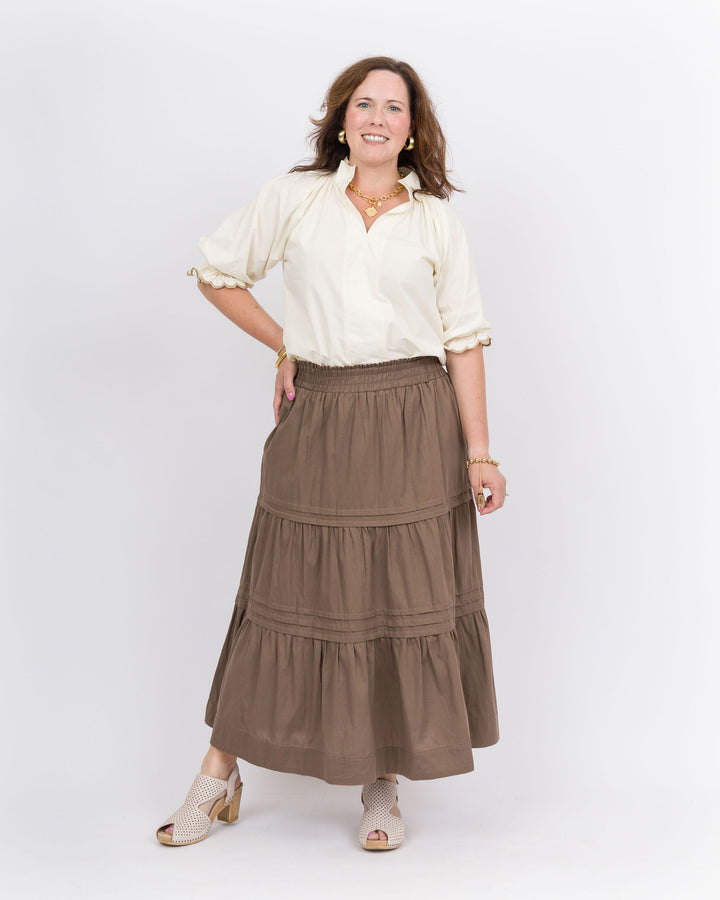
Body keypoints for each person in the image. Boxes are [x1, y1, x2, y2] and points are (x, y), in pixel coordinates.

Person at [156, 56, 507, 851]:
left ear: (412, 129)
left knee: (393, 603)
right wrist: (286, 344)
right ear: (342, 118)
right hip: (319, 416)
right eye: (364, 103)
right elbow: (218, 272)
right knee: (279, 596)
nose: (377, 117)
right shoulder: (297, 198)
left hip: (414, 421)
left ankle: (382, 782)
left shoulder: (435, 221)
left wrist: (480, 453)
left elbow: (463, 339)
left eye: (394, 107)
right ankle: (218, 771)